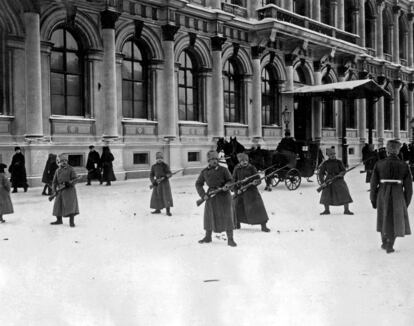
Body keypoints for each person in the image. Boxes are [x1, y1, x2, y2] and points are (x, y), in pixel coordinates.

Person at [370, 139, 412, 254]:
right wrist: (406, 203)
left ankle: (384, 242)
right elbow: (409, 188)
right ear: (398, 151)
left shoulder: (379, 164)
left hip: (382, 192)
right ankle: (390, 244)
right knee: (395, 219)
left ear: (387, 151)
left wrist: (373, 199)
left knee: (383, 216)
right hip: (398, 194)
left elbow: (373, 184)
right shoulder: (404, 165)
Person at [195, 150, 237, 247]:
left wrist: (227, 185)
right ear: (208, 161)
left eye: (216, 159)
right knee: (209, 216)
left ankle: (230, 239)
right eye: (212, 159)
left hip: (224, 196)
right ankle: (208, 237)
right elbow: (198, 183)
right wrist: (203, 195)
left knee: (227, 216)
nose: (215, 161)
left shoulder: (224, 170)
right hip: (211, 196)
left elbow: (231, 180)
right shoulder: (204, 172)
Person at [232, 152, 270, 232]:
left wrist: (255, 182)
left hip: (251, 191)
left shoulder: (252, 168)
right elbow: (233, 181)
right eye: (242, 160)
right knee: (238, 207)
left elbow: (258, 179)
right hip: (241, 192)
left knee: (258, 208)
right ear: (239, 161)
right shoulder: (236, 168)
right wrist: (236, 190)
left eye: (246, 160)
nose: (244, 162)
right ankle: (237, 223)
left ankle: (263, 225)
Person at [318, 147, 353, 215]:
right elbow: (321, 173)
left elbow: (343, 170)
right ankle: (326, 210)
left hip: (339, 180)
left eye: (334, 153)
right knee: (326, 194)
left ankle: (346, 210)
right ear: (328, 155)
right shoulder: (325, 163)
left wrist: (341, 174)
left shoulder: (339, 162)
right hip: (329, 180)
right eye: (331, 154)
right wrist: (323, 183)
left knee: (344, 192)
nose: (333, 155)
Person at [50, 154, 79, 227]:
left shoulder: (70, 169)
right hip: (60, 190)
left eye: (65, 160)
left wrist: (70, 183)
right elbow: (54, 182)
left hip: (69, 190)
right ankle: (59, 220)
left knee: (70, 206)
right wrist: (54, 190)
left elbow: (75, 179)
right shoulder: (57, 170)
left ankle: (71, 222)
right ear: (59, 162)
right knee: (57, 205)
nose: (64, 162)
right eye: (62, 161)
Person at [149, 152, 173, 216]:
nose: (159, 159)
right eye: (158, 158)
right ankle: (157, 209)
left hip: (165, 183)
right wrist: (153, 181)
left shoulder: (165, 166)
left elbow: (170, 173)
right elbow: (151, 175)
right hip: (157, 183)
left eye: (161, 158)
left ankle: (168, 211)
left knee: (166, 196)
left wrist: (166, 176)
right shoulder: (154, 166)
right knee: (156, 195)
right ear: (156, 159)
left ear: (162, 159)